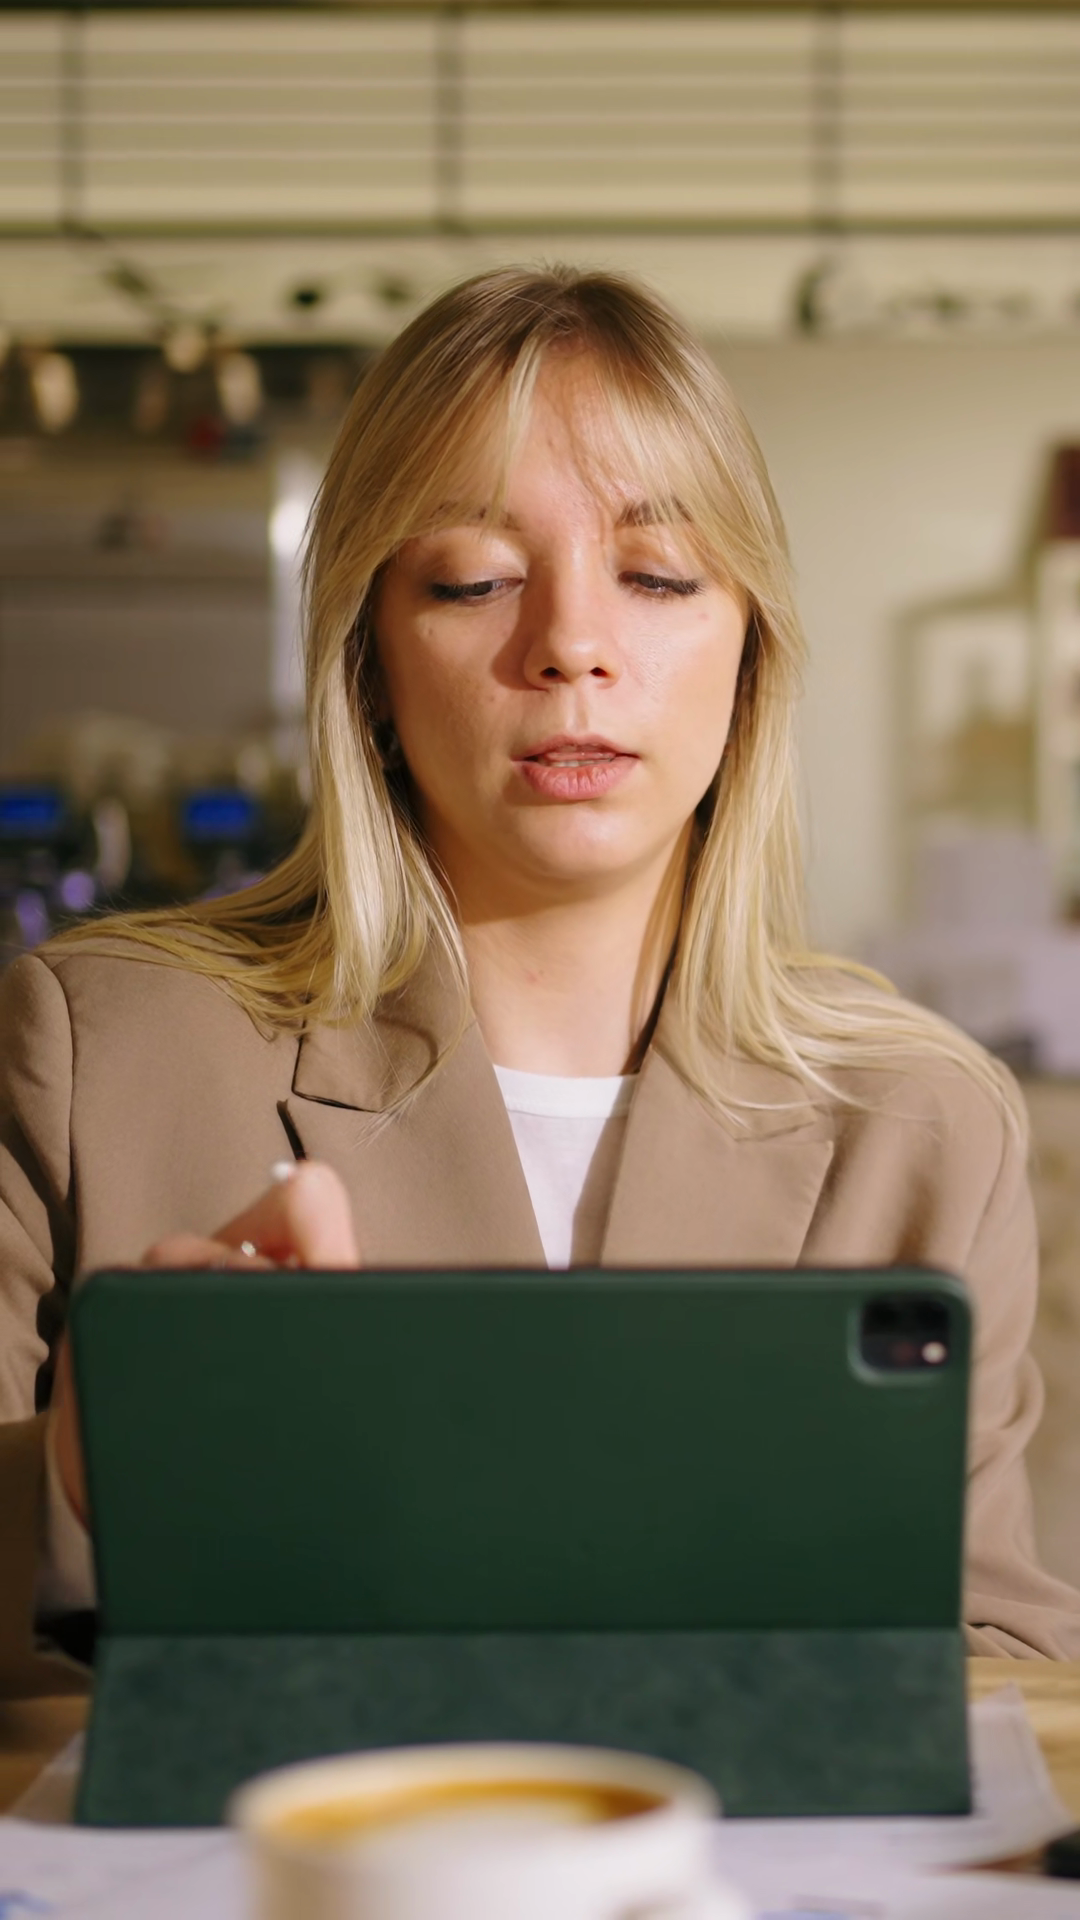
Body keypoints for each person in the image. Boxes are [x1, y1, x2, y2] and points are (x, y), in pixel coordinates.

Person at [1, 265, 1077, 1699]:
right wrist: (82, 1473)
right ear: (369, 660)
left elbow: (998, 1654)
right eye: (474, 578)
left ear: (750, 649)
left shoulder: (923, 1124)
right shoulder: (100, 1052)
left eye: (658, 574)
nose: (572, 644)